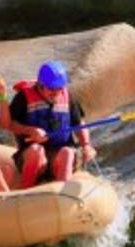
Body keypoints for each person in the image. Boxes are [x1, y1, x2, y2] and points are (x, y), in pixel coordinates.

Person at [6, 60, 96, 188]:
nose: (56, 92)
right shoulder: (23, 97)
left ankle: (62, 194)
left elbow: (79, 123)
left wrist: (86, 145)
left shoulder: (68, 97)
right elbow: (9, 124)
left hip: (60, 154)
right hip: (32, 154)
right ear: (41, 85)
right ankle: (25, 191)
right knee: (36, 151)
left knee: (68, 152)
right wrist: (30, 131)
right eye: (51, 88)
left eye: (59, 88)